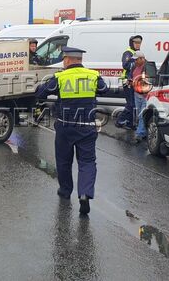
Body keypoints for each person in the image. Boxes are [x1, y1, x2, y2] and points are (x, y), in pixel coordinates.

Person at [35, 46, 110, 215]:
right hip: (87, 126)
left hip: (65, 126)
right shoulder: (93, 75)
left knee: (63, 161)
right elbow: (104, 89)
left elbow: (41, 94)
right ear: (80, 60)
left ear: (67, 60)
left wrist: (39, 88)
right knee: (87, 162)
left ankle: (65, 191)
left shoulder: (60, 77)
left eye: (64, 59)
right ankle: (84, 194)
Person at [115, 35, 143, 129]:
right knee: (131, 104)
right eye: (136, 43)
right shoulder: (128, 53)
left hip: (135, 82)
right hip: (127, 81)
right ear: (132, 43)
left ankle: (130, 124)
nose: (138, 44)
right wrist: (136, 63)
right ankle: (119, 121)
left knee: (133, 104)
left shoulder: (138, 53)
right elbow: (125, 65)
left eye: (139, 43)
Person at [131, 51, 148, 142]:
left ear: (142, 59)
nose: (135, 62)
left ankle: (140, 133)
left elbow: (148, 81)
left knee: (142, 114)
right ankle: (143, 132)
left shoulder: (147, 67)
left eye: (136, 60)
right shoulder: (135, 66)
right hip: (137, 94)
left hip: (145, 95)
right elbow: (133, 76)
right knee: (139, 114)